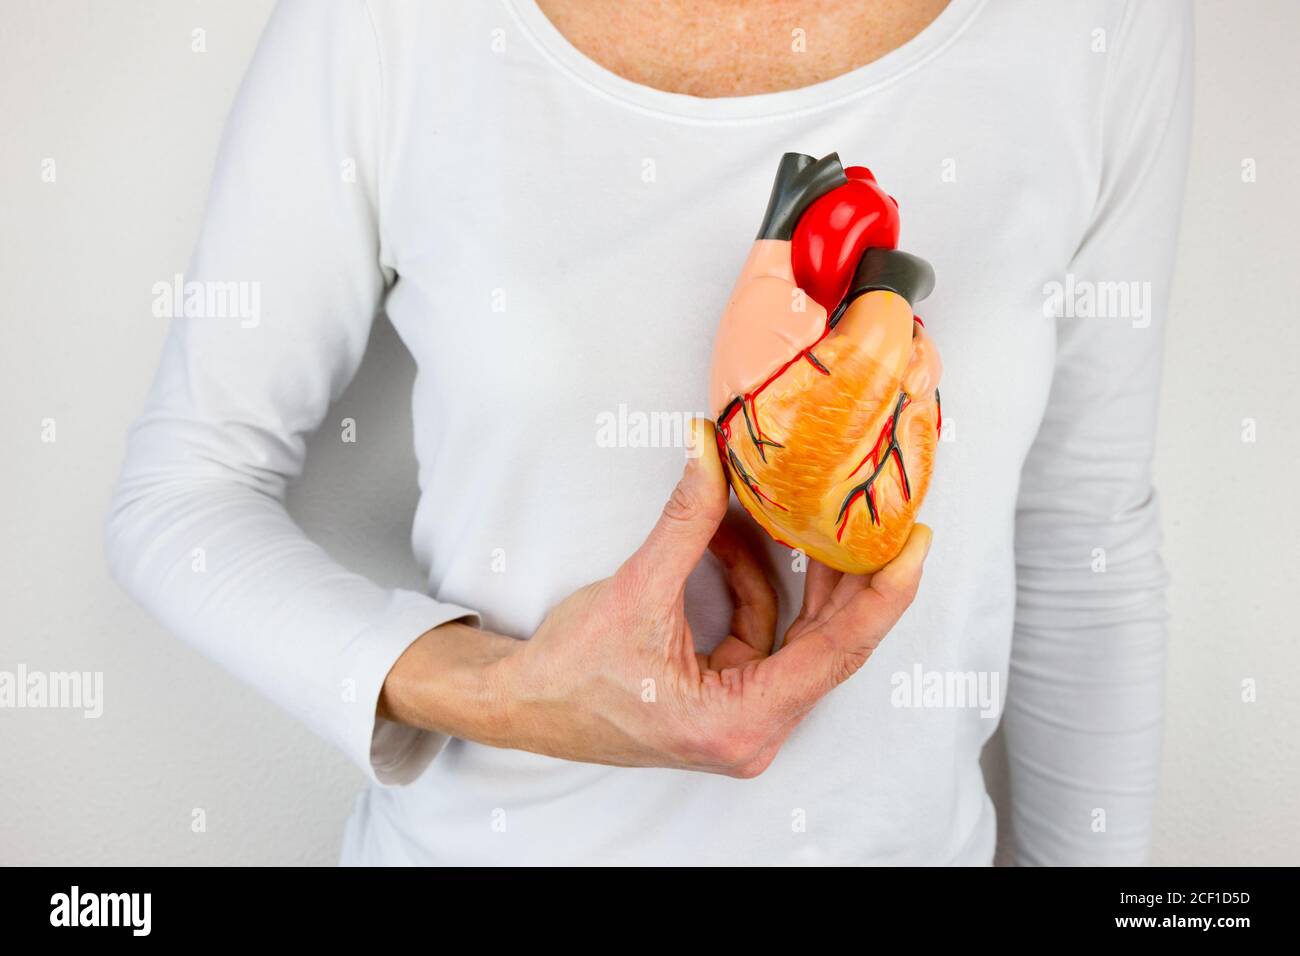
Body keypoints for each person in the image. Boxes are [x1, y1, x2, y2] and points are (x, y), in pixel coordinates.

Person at [106, 0, 1192, 865]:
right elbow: (184, 488)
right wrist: (502, 690)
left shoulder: (1096, 23)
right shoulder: (389, 20)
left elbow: (1083, 543)